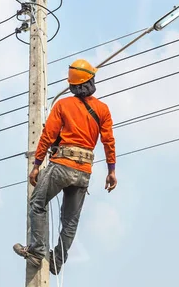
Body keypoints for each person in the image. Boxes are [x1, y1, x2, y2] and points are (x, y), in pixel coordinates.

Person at [13, 58, 117, 274]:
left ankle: (36, 251)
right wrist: (111, 171)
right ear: (90, 81)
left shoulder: (63, 105)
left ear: (72, 84)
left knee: (37, 203)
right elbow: (108, 142)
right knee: (70, 221)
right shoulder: (103, 109)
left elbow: (48, 136)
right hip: (84, 172)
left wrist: (37, 165)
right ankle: (57, 260)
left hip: (61, 166)